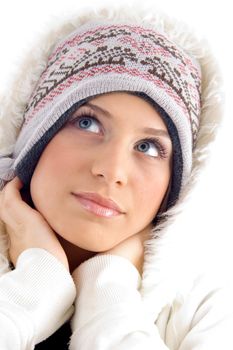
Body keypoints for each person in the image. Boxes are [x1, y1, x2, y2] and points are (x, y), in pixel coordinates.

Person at [0, 4, 232, 349]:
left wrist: (108, 296)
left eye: (149, 147)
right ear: (37, 134)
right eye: (87, 123)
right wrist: (34, 288)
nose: (111, 170)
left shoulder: (209, 308)